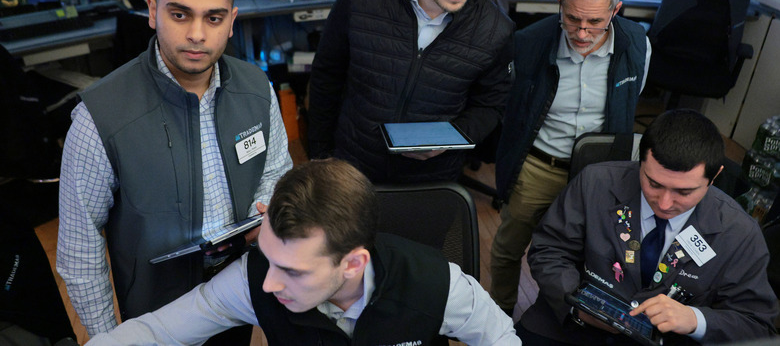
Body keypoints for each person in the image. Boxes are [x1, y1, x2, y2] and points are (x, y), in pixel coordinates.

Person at [56, 0, 293, 338]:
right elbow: (80, 251)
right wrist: (112, 337)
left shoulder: (258, 89)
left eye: (213, 18)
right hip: (156, 309)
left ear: (231, 22)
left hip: (236, 286)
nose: (197, 34)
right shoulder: (98, 117)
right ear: (153, 11)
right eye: (179, 14)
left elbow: (276, 172)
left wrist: (260, 213)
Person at [85, 159, 520, 345]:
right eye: (269, 257)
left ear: (353, 263)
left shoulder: (438, 286)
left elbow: (502, 339)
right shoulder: (255, 277)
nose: (269, 283)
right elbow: (159, 333)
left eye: (292, 271)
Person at [518, 109, 779, 345]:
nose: (664, 203)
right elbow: (549, 250)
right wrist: (579, 307)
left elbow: (755, 324)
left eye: (684, 192)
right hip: (570, 328)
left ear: (715, 177)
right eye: (653, 184)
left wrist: (695, 320)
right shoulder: (594, 183)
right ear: (640, 162)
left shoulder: (740, 234)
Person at [490, 0, 652, 315]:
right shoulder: (528, 44)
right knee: (509, 246)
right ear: (559, 4)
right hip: (538, 166)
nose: (581, 32)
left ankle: (565, 318)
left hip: (599, 172)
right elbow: (512, 108)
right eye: (572, 19)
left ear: (616, 10)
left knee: (591, 251)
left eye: (594, 22)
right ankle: (498, 315)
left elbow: (629, 100)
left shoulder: (637, 45)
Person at [307, 0, 514, 183]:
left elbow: (492, 105)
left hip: (433, 179)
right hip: (352, 169)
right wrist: (321, 158)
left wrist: (451, 137)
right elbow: (326, 77)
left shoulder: (496, 29)